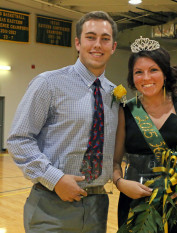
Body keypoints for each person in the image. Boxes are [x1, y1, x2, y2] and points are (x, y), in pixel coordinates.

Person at [7, 11, 118, 233]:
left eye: (105, 39)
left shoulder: (114, 94)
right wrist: (55, 179)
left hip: (98, 206)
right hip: (51, 203)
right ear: (78, 43)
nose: (98, 44)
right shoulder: (48, 83)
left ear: (113, 47)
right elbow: (19, 139)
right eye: (90, 37)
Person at [113, 37, 177, 232]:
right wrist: (120, 183)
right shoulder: (126, 111)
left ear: (165, 73)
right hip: (134, 203)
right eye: (139, 72)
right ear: (132, 77)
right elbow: (115, 162)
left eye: (153, 70)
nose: (146, 78)